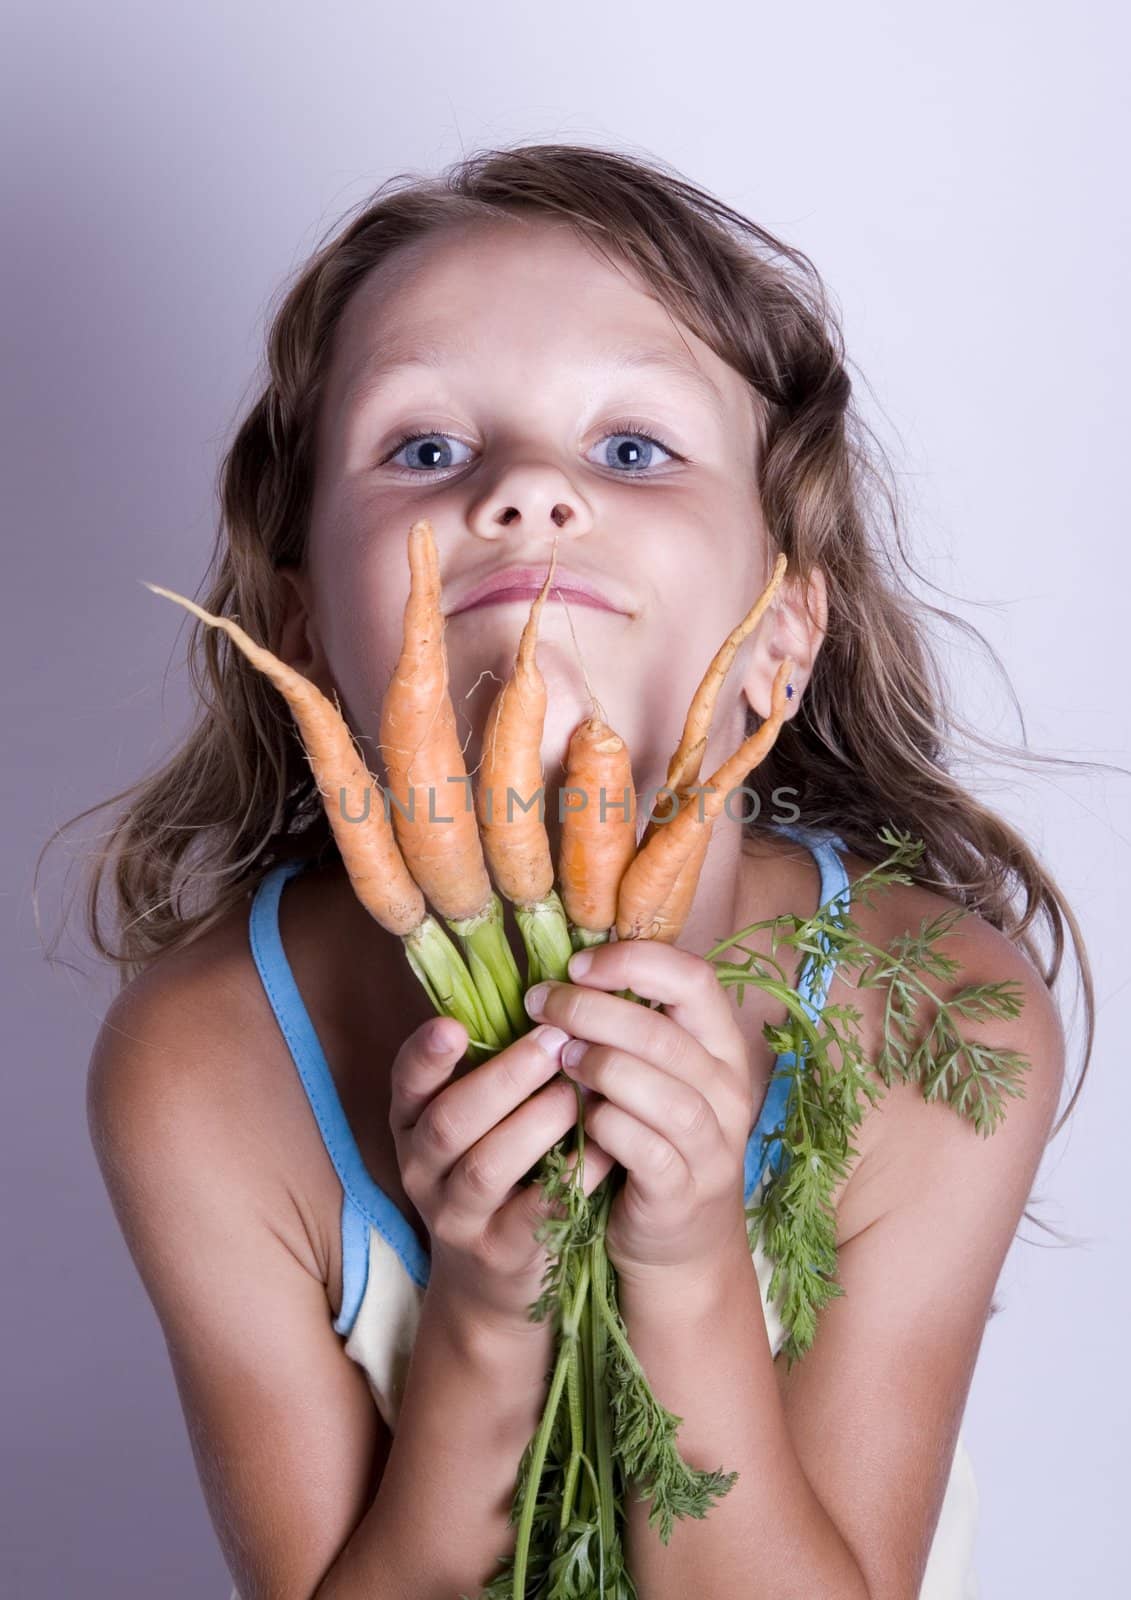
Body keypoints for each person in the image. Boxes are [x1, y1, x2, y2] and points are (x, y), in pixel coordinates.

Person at [59, 143, 1089, 1599]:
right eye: (426, 449)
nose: (532, 492)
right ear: (300, 634)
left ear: (785, 634)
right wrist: (487, 1306)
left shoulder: (936, 1018)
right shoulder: (206, 1064)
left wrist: (684, 1273)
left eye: (632, 449)